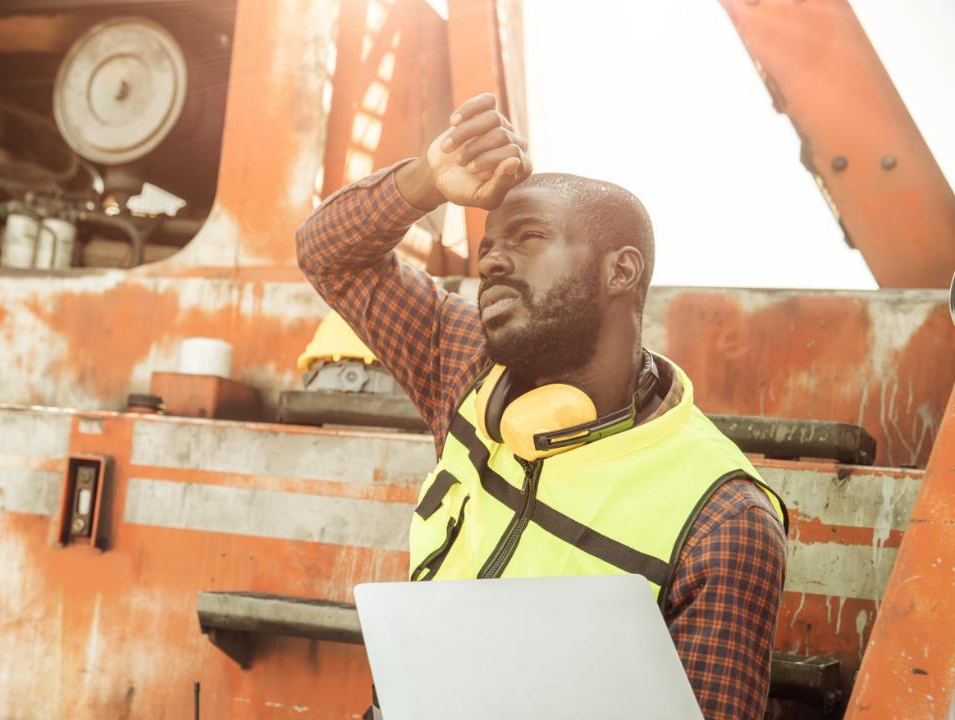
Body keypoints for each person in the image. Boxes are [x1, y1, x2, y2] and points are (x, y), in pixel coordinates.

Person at [296, 93, 788, 719]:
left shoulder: (723, 520)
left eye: (529, 238)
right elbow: (327, 255)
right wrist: (428, 178)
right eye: (487, 250)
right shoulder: (464, 361)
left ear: (621, 271)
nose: (493, 259)